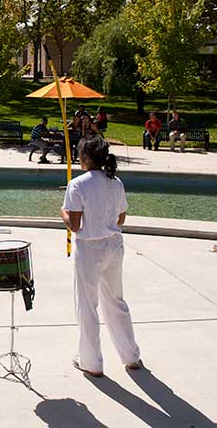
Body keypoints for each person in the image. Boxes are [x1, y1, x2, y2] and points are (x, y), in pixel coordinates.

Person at [61, 137, 142, 378]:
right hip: (114, 246)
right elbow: (121, 218)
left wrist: (63, 212)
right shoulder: (115, 182)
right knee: (115, 301)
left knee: (87, 305)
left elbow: (74, 225)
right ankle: (130, 355)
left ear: (84, 157)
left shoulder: (77, 184)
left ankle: (91, 362)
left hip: (89, 249)